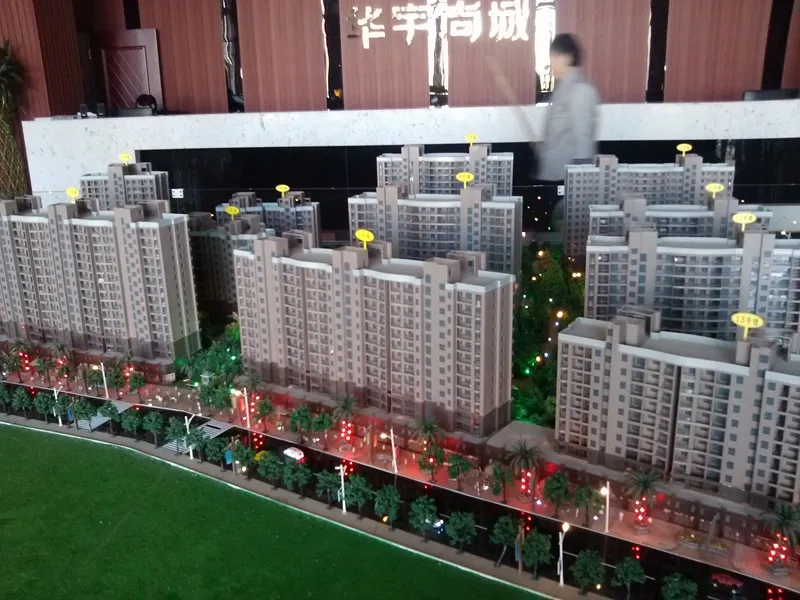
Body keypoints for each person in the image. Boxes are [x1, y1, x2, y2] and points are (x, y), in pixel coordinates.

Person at [535, 33, 600, 182]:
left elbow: (584, 143)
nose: (551, 62)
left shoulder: (580, 89)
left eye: (555, 57)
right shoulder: (562, 88)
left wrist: (579, 184)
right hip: (553, 174)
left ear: (568, 57)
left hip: (567, 181)